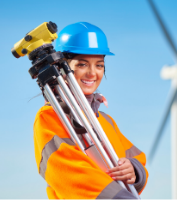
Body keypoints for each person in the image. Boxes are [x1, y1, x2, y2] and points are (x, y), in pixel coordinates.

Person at [33, 22, 148, 199]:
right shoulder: (49, 117)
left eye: (99, 65)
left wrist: (134, 169)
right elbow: (69, 175)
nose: (92, 73)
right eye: (82, 64)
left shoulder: (105, 120)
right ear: (61, 68)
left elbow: (138, 158)